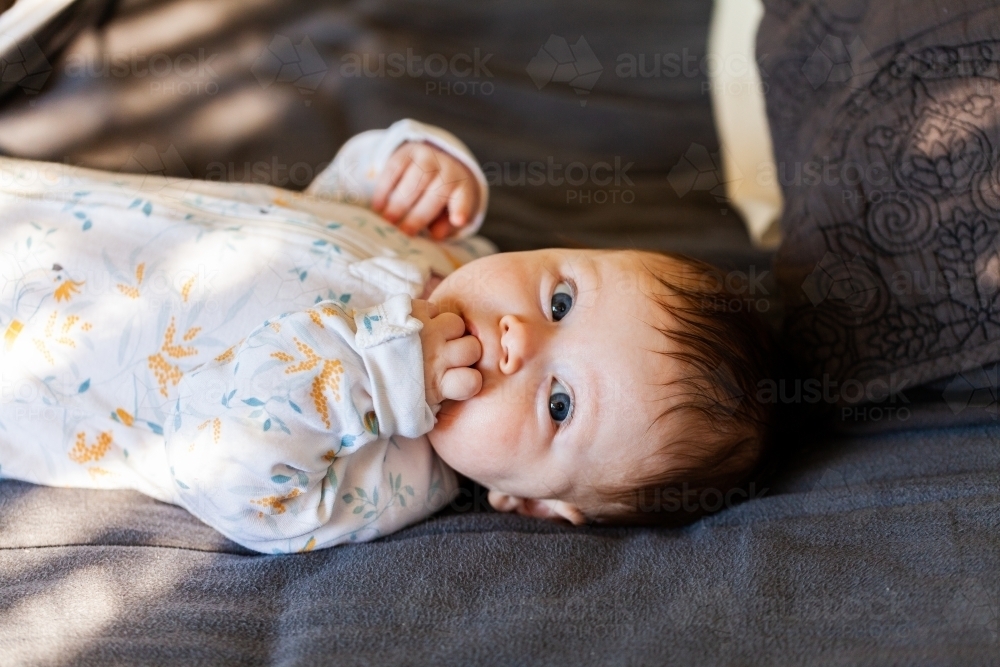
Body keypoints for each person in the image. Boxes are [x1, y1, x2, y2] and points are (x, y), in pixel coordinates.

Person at [0, 120, 777, 554]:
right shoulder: (448, 260)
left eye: (562, 402)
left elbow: (224, 471)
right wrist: (405, 167)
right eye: (563, 297)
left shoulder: (393, 476)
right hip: (53, 210)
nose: (519, 338)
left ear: (530, 505)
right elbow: (316, 211)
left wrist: (374, 383)